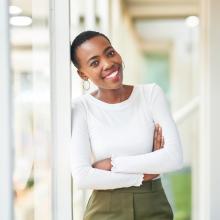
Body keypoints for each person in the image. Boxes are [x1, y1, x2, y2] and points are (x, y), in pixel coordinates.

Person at [69, 30, 183, 220]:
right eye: (95, 63)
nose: (108, 63)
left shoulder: (150, 95)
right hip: (104, 209)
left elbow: (174, 157)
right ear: (83, 74)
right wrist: (144, 174)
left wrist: (111, 164)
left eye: (110, 52)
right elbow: (83, 176)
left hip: (153, 206)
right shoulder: (81, 108)